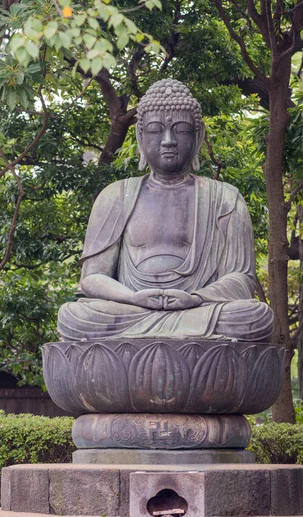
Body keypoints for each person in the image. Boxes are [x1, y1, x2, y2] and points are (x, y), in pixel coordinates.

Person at [58, 79, 274, 342]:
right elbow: (92, 278)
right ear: (140, 136)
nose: (168, 140)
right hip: (130, 310)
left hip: (199, 309)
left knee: (253, 316)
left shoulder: (225, 198)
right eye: (155, 130)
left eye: (181, 130)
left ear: (198, 135)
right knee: (75, 316)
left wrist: (195, 297)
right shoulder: (115, 196)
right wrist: (133, 297)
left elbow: (241, 280)